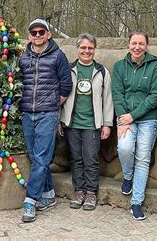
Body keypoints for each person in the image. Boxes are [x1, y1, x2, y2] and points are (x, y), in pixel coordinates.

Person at [19, 19, 72, 222]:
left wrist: (52, 103)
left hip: (47, 114)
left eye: (42, 32)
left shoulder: (58, 56)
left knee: (41, 157)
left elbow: (66, 84)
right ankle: (49, 194)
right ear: (30, 35)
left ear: (49, 34)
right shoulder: (23, 57)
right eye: (34, 33)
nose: (38, 36)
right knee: (35, 157)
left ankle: (31, 200)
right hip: (26, 112)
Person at [111, 30, 157, 220]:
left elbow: (154, 96)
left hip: (148, 118)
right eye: (134, 43)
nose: (137, 47)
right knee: (124, 148)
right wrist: (123, 118)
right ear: (128, 45)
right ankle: (128, 176)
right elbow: (117, 93)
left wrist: (132, 116)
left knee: (142, 156)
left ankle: (136, 202)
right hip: (125, 116)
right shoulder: (119, 67)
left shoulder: (156, 67)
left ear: (146, 46)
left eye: (141, 44)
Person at [58, 33, 113, 211]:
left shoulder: (102, 72)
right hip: (72, 123)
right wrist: (59, 120)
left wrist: (107, 123)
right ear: (77, 49)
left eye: (90, 48)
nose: (86, 51)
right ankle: (78, 190)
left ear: (94, 50)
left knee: (90, 158)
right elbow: (61, 96)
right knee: (76, 158)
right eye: (83, 48)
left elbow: (108, 100)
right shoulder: (69, 69)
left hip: (92, 124)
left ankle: (91, 192)